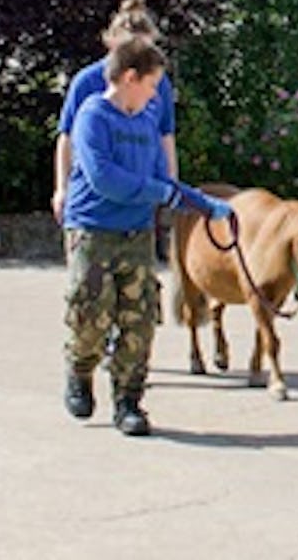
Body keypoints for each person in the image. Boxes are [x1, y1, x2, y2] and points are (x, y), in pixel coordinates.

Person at [62, 36, 232, 437]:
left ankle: (129, 401)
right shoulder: (93, 117)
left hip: (135, 233)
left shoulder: (145, 119)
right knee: (91, 315)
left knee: (139, 319)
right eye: (152, 83)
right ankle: (79, 369)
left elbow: (161, 177)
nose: (157, 93)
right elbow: (106, 180)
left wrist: (204, 204)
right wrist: (161, 193)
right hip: (93, 231)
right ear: (129, 78)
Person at [53, 0, 178, 259]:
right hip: (94, 212)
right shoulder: (87, 82)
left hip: (138, 210)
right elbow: (66, 137)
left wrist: (171, 186)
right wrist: (61, 188)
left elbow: (165, 135)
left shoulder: (159, 83)